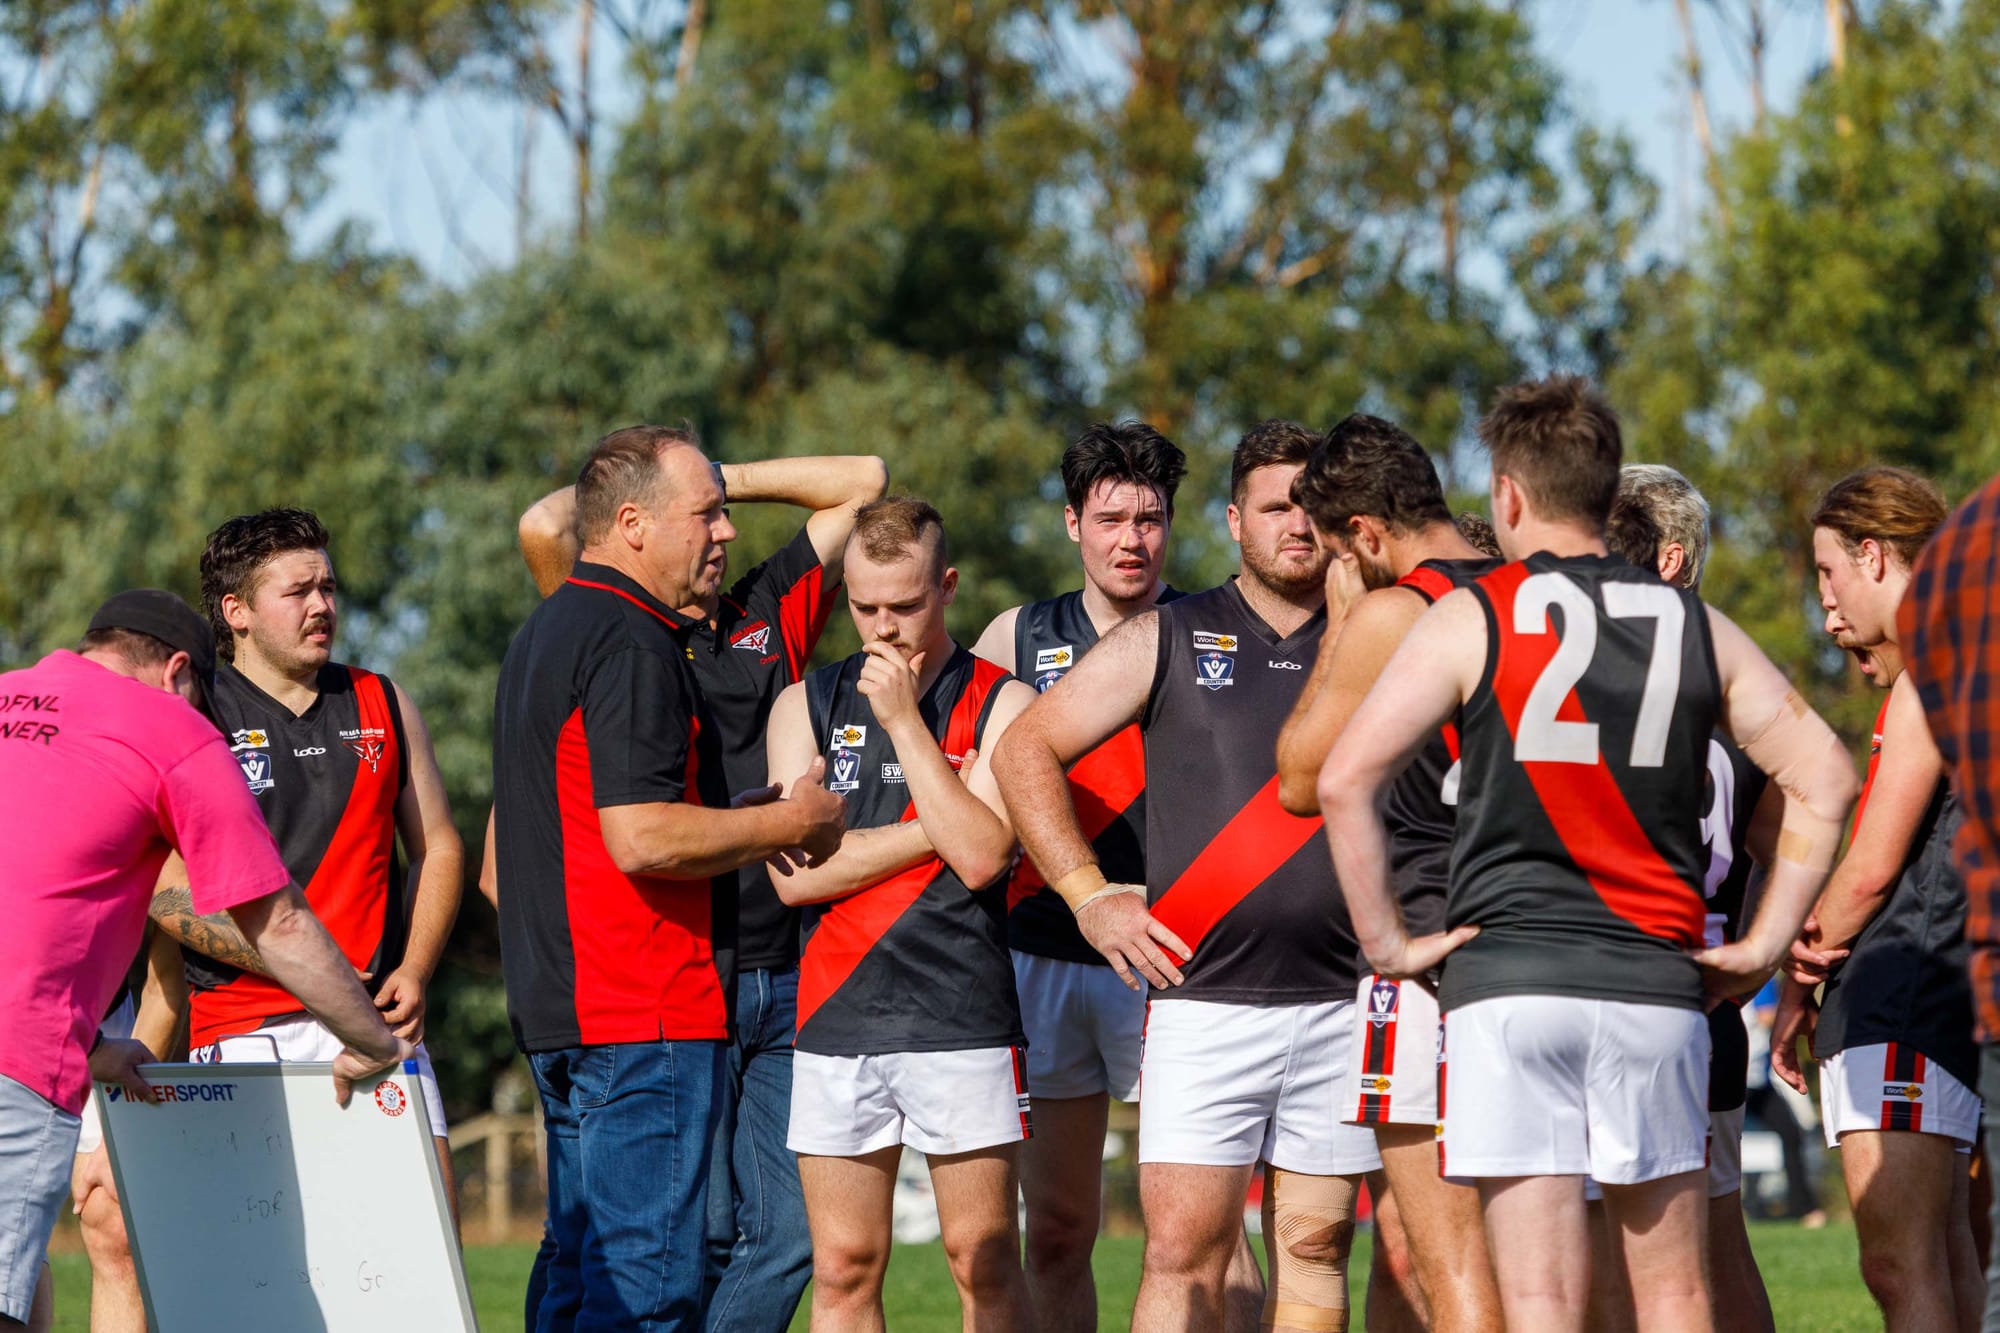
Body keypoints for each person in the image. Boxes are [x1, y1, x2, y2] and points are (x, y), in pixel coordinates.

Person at [1317, 376, 1857, 1333]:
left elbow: (1342, 779)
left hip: (1510, 983)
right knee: (1675, 1292)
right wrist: (1764, 945)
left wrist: (1391, 944)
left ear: (1509, 494)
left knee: (1539, 1300)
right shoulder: (1692, 622)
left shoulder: (1473, 614)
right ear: (1607, 494)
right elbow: (1826, 774)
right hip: (1652, 982)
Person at [996, 420, 1381, 1333]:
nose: (1296, 522)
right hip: (1201, 1000)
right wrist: (1090, 895)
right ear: (1235, 520)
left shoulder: (1377, 634)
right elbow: (1022, 750)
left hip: (1344, 995)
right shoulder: (1171, 632)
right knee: (1181, 1257)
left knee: (1318, 1248)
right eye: (1274, 505)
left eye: (1311, 504)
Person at [518, 450, 887, 1331]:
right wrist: (788, 822)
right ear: (634, 523)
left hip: (768, 967)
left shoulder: (761, 611)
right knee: (659, 1261)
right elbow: (543, 522)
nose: (726, 533)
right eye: (705, 516)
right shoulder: (621, 632)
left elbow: (865, 480)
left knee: (770, 1239)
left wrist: (715, 478)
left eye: (725, 514)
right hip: (664, 982)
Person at [0, 589, 410, 1330]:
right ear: (179, 672)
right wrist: (373, 1040)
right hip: (16, 1068)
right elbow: (276, 919)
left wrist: (93, 1051)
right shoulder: (169, 727)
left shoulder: (11, 693)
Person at [971, 421, 1246, 1331]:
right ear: (1071, 523)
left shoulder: (1214, 628)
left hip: (1179, 959)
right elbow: (972, 792)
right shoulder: (1015, 635)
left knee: (1211, 1232)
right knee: (1055, 1232)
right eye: (1111, 519)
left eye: (1150, 519)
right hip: (1045, 952)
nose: (1132, 539)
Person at [130, 510, 463, 1195]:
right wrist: (309, 967)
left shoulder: (384, 700)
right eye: (298, 591)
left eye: (328, 588)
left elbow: (439, 847)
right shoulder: (195, 717)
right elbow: (165, 894)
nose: (322, 606)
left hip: (376, 1026)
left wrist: (416, 968)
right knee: (267, 1256)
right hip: (245, 1034)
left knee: (427, 1250)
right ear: (237, 612)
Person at [766, 496, 1039, 1332]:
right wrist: (935, 828)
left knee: (983, 1259)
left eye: (906, 604)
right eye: (864, 605)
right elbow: (794, 879)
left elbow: (984, 856)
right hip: (836, 1014)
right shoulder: (803, 704)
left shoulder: (1004, 701)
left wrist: (901, 721)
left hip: (962, 1014)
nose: (883, 628)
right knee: (843, 1267)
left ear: (946, 587)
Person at [1271, 413, 1501, 1333]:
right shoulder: (1537, 591)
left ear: (1364, 534)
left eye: (1338, 550)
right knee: (1552, 1264)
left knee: (1454, 1268)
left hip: (1431, 950)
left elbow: (1301, 780)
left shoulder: (1398, 610)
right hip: (1550, 944)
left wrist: (1340, 625)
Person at [1769, 468, 1982, 1330]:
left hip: (1905, 998)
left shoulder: (1930, 667)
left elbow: (1869, 870)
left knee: (1902, 1265)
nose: (1827, 611)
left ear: (1875, 554)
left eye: (1828, 575)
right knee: (1949, 1258)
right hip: (1948, 997)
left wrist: (1793, 976)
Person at [1602, 464, 1782, 1333]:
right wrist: (1751, 958)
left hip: (1631, 985)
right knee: (1716, 1240)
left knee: (1617, 1251)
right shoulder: (1744, 682)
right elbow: (1783, 847)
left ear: (1668, 556)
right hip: (1705, 997)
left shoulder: (1614, 674)